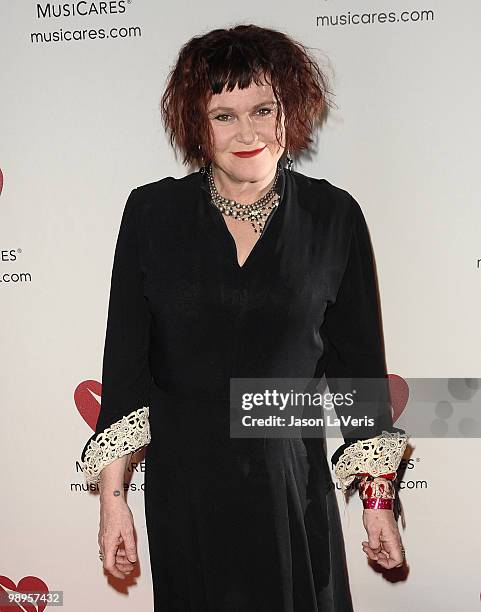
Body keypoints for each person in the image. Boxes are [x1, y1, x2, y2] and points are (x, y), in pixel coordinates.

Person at [80, 24, 409, 612]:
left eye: (262, 108)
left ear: (291, 112)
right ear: (197, 126)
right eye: (223, 115)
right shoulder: (152, 213)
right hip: (188, 489)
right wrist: (113, 502)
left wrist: (379, 504)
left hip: (292, 485)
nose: (247, 132)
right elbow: (125, 367)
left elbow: (359, 373)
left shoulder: (333, 216)